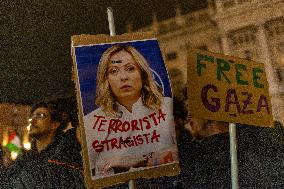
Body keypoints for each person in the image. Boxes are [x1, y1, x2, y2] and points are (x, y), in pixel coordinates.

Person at [84, 45, 178, 178]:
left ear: (143, 74)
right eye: (114, 71)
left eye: (130, 69)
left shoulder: (168, 107)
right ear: (106, 80)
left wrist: (136, 159)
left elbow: (185, 151)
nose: (123, 77)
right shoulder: (90, 122)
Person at [5, 100, 85, 189]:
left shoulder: (65, 150)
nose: (32, 121)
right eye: (32, 117)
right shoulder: (24, 159)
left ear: (54, 124)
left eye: (40, 116)